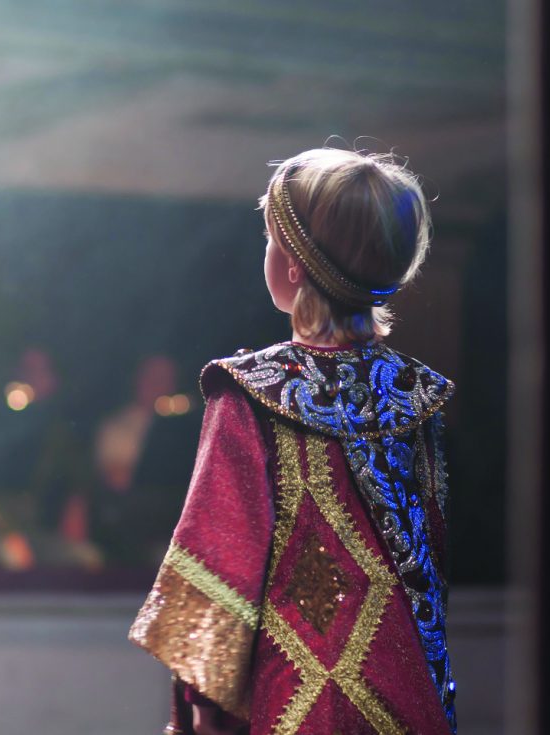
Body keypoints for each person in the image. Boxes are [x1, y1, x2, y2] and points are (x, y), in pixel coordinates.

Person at [128, 146, 457, 735]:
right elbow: (428, 574)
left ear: (294, 265)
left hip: (297, 704)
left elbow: (218, 563)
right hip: (410, 699)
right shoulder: (417, 398)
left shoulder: (249, 393)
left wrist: (203, 711)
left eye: (271, 239)